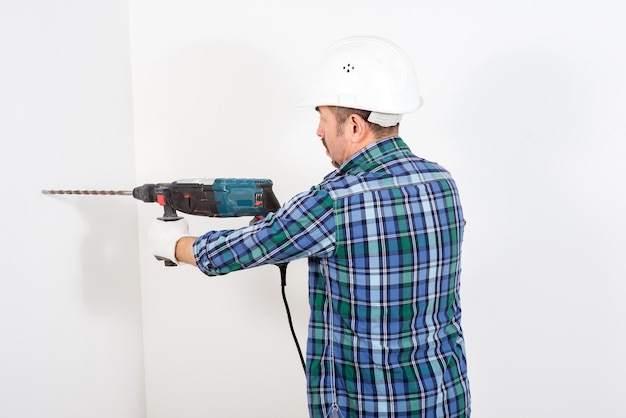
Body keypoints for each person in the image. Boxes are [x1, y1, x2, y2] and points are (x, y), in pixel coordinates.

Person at [149, 36, 471, 418]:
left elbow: (228, 255)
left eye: (322, 117)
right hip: (445, 398)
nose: (319, 131)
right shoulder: (441, 181)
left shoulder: (334, 200)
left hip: (368, 407)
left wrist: (173, 244)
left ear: (354, 125)